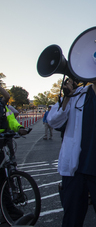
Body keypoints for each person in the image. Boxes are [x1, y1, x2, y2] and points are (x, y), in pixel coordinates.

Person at [47, 77, 96, 227]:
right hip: (75, 171)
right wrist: (66, 97)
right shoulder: (75, 95)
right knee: (71, 220)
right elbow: (53, 121)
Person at [0, 85, 28, 221]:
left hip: (1, 143)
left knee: (3, 179)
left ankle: (8, 209)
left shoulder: (2, 106)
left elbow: (11, 119)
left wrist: (19, 128)